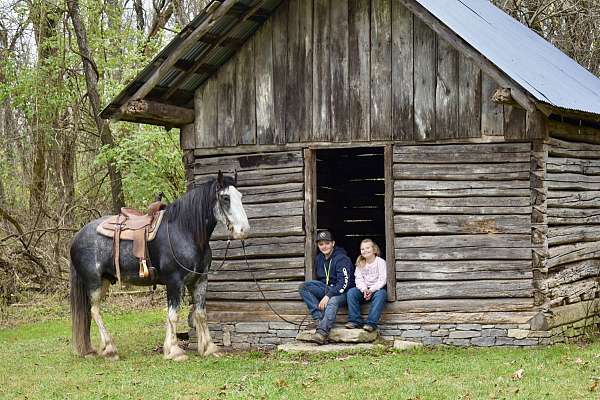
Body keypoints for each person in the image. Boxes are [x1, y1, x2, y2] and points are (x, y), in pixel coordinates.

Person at [298, 230, 355, 344]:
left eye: (327, 243)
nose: (324, 246)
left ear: (333, 243)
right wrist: (325, 293)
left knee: (333, 300)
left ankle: (322, 332)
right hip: (327, 288)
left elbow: (344, 283)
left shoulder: (341, 258)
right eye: (321, 244)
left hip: (344, 292)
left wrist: (328, 296)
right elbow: (321, 280)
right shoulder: (319, 258)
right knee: (304, 287)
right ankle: (319, 319)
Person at [345, 238, 387, 332]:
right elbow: (358, 279)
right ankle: (355, 320)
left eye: (368, 248)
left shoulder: (380, 262)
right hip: (364, 291)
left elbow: (382, 280)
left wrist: (371, 290)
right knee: (351, 292)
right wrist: (364, 289)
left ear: (374, 249)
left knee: (382, 294)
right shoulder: (360, 263)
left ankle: (371, 323)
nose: (365, 250)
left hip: (376, 290)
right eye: (362, 249)